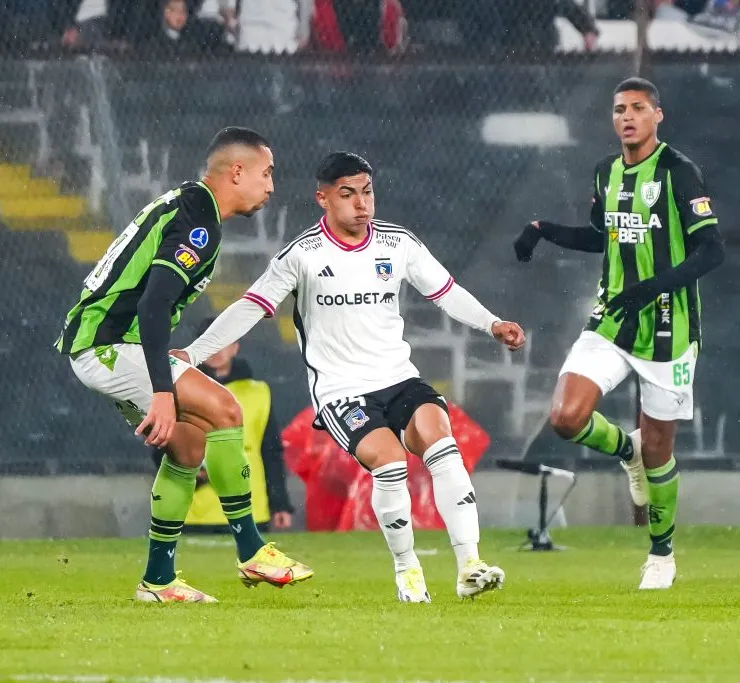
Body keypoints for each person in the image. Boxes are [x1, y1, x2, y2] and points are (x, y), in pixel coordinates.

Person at [176, 151, 526, 603]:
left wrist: (492, 323)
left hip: (399, 377)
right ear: (322, 198)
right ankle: (407, 569)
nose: (361, 204)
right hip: (343, 392)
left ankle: (469, 566)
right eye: (347, 194)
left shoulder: (397, 243)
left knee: (443, 443)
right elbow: (250, 308)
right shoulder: (301, 256)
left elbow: (446, 291)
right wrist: (194, 352)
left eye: (367, 192)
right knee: (391, 463)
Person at [55, 127, 312, 604]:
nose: (272, 185)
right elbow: (153, 307)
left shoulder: (189, 205)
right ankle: (252, 551)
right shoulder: (199, 218)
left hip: (99, 346)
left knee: (189, 450)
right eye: (266, 173)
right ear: (237, 171)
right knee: (227, 409)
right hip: (110, 343)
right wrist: (161, 390)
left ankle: (157, 581)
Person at [513, 77, 725, 590]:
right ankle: (624, 451)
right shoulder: (606, 172)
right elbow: (603, 236)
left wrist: (651, 287)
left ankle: (661, 554)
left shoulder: (679, 172)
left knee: (660, 450)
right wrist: (543, 230)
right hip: (612, 318)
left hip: (670, 330)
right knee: (565, 417)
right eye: (618, 109)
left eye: (636, 108)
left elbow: (711, 250)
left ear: (658, 115)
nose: (626, 117)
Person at [152, 316, 295, 533]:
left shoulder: (259, 391)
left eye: (223, 341)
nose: (216, 349)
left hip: (250, 506)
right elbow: (161, 441)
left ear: (235, 347)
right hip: (194, 511)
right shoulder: (178, 389)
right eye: (208, 341)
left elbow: (271, 452)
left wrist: (279, 503)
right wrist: (191, 470)